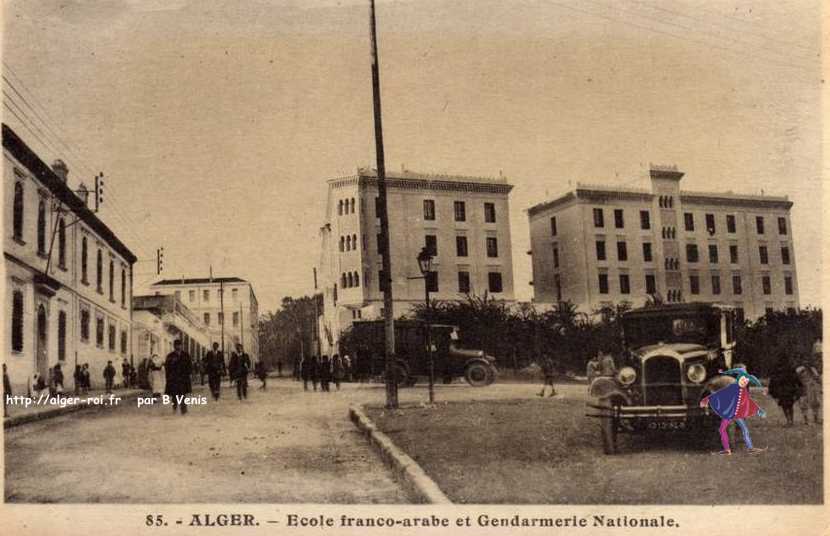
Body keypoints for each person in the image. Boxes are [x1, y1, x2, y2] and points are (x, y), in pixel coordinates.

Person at [700, 367, 767, 455]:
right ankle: (736, 446)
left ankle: (728, 447)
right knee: (738, 427)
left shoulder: (714, 382)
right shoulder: (733, 382)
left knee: (724, 428)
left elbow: (707, 393)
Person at [768, 355, 803, 426]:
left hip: (782, 390)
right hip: (790, 390)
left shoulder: (778, 369)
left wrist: (772, 389)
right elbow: (796, 379)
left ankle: (788, 420)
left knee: (784, 405)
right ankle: (791, 420)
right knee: (790, 405)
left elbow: (773, 380)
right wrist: (799, 386)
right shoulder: (790, 369)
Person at [165, 339, 192, 415]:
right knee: (174, 395)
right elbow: (167, 367)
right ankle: (175, 408)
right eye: (176, 345)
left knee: (183, 394)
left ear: (181, 346)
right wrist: (168, 378)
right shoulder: (170, 356)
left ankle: (184, 410)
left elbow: (189, 366)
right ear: (174, 346)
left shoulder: (186, 355)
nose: (178, 347)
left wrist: (188, 375)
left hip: (183, 378)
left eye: (179, 345)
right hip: (174, 379)